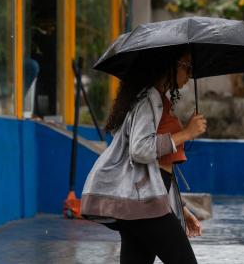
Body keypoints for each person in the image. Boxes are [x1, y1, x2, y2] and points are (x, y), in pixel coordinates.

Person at [81, 46, 207, 264]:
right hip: (145, 207)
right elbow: (140, 150)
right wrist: (186, 133)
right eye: (187, 66)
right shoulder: (148, 100)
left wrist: (181, 207)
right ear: (169, 65)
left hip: (143, 206)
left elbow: (158, 171)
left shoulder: (158, 100)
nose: (190, 74)